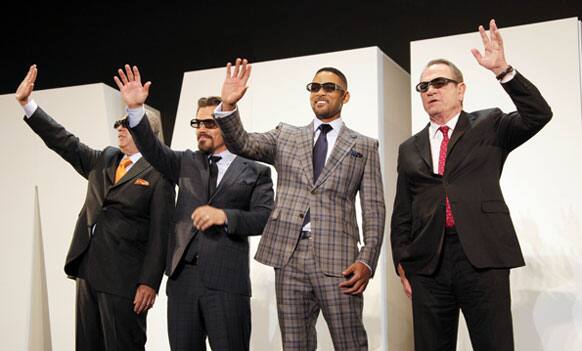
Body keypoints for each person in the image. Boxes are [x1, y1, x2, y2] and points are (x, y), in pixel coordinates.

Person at [390, 19, 552, 351]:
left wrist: (503, 70)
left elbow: (538, 114)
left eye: (439, 83)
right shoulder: (409, 148)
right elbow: (403, 208)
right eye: (424, 87)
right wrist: (401, 262)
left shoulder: (489, 123)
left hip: (482, 256)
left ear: (460, 89)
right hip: (428, 263)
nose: (431, 90)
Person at [213, 59, 385, 350]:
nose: (320, 92)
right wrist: (228, 106)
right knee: (295, 345)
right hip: (288, 256)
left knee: (350, 343)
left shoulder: (364, 146)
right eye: (315, 87)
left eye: (329, 87)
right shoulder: (286, 136)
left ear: (345, 96)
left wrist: (367, 259)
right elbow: (242, 143)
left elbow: (374, 208)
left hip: (340, 260)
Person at [112, 64, 274, 351]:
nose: (201, 129)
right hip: (183, 282)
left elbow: (264, 219)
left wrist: (224, 216)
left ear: (225, 124)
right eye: (197, 123)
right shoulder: (185, 162)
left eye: (209, 123)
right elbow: (151, 147)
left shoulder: (255, 170)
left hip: (227, 283)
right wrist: (136, 110)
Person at [15, 64, 175, 351]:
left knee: (123, 345)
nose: (120, 129)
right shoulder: (106, 159)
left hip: (124, 280)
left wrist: (149, 282)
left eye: (127, 123)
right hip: (89, 272)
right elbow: (65, 142)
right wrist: (29, 105)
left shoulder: (159, 173)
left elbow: (161, 234)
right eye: (120, 123)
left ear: (147, 132)